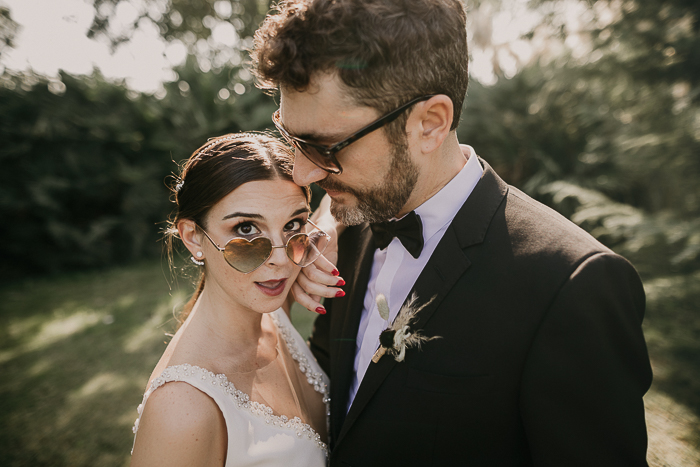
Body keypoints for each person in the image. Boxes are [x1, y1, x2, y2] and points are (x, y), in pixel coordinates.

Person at [251, 0, 653, 465]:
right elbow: (332, 392)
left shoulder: (570, 286)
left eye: (323, 147)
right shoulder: (349, 226)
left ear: (430, 123)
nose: (301, 172)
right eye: (291, 137)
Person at [130, 133, 343, 467]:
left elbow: (334, 200)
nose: (281, 260)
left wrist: (325, 233)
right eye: (246, 229)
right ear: (192, 237)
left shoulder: (272, 312)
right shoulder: (183, 408)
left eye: (293, 224)